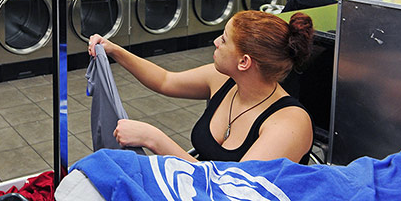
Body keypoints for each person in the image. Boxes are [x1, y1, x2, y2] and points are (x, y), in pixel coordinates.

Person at [87, 10, 314, 164]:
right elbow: (165, 80)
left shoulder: (289, 124)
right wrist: (114, 50)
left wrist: (154, 139)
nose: (216, 42)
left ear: (244, 62)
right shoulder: (224, 80)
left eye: (224, 40)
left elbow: (232, 190)